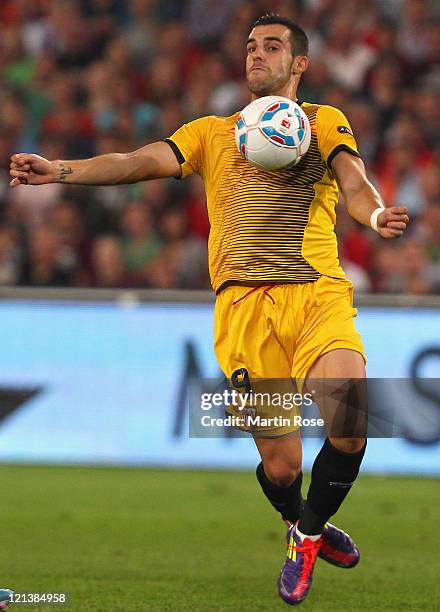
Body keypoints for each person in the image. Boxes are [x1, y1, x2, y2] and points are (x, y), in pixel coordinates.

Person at [9, 14, 409, 607]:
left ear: (299, 64)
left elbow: (355, 179)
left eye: (272, 46)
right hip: (243, 311)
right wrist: (62, 171)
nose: (256, 54)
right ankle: (306, 522)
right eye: (250, 45)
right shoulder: (211, 133)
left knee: (350, 423)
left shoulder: (323, 123)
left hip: (315, 295)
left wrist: (374, 217)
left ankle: (304, 535)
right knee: (280, 466)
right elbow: (137, 161)